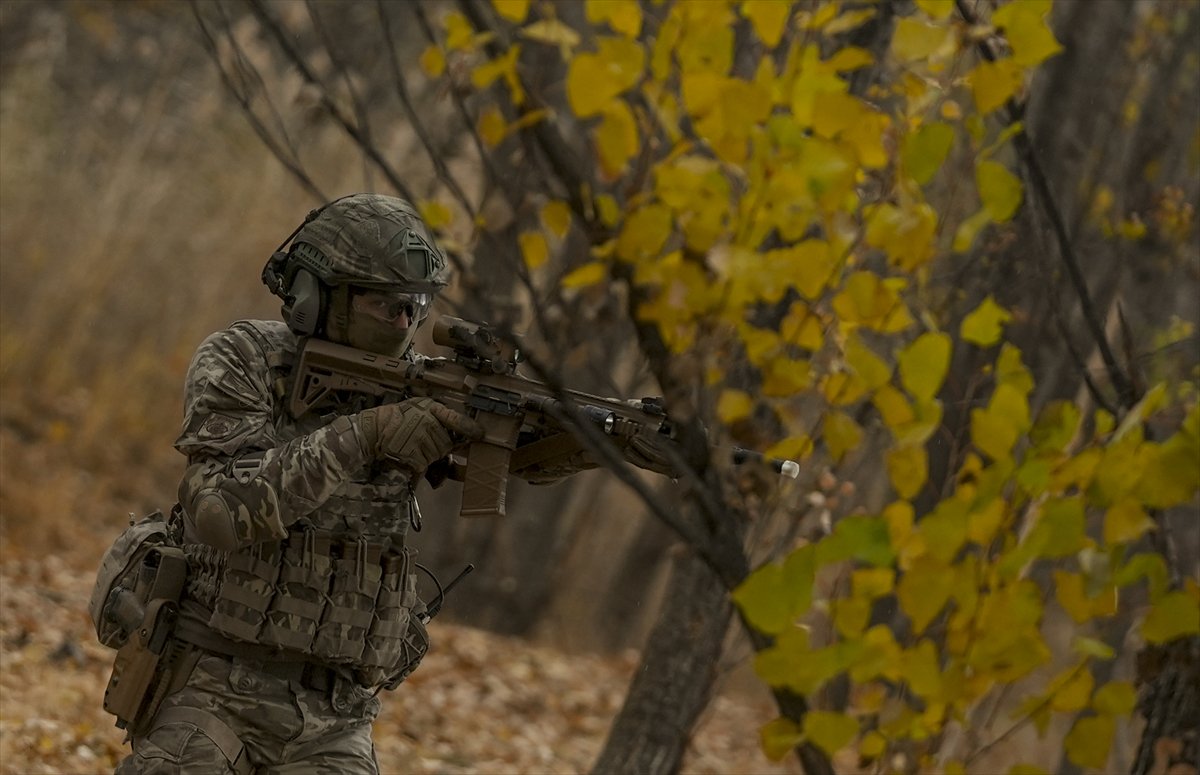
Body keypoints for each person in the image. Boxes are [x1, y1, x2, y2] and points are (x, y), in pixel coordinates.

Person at [108, 193, 668, 774]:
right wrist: (367, 436)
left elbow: (528, 458)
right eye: (384, 305)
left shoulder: (421, 388)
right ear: (314, 296)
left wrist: (614, 438)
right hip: (212, 689)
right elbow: (221, 511)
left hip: (336, 718)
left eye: (415, 307)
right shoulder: (245, 359)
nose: (405, 323)